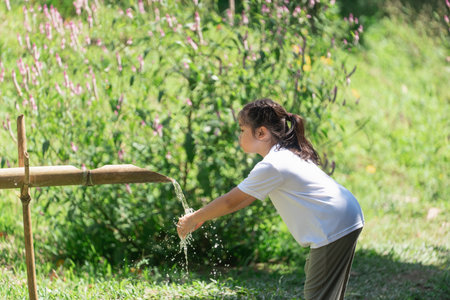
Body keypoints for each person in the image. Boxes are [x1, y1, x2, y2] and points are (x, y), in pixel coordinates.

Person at [177, 98, 364, 300]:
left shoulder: (273, 165)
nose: (239, 135)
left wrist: (194, 217)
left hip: (333, 224)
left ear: (261, 132)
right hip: (343, 216)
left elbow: (232, 201)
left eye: (242, 130)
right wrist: (204, 216)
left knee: (318, 295)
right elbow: (243, 200)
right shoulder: (283, 155)